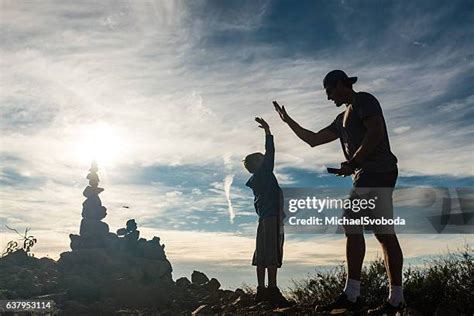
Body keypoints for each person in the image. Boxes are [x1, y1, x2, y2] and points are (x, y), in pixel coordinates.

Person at [274, 70, 404, 315]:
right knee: (384, 234)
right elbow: (313, 139)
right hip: (372, 173)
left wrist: (353, 163)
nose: (328, 97)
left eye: (329, 91)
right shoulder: (340, 119)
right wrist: (288, 121)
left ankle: (352, 295)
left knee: (351, 221)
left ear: (340, 84)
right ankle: (396, 300)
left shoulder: (363, 100)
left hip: (376, 171)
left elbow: (375, 133)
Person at [243, 117, 289, 307]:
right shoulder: (265, 173)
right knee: (272, 254)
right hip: (272, 219)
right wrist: (268, 131)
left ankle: (261, 290)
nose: (266, 158)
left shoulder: (256, 181)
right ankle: (273, 290)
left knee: (261, 254)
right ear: (259, 164)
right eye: (262, 158)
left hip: (263, 220)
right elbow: (271, 152)